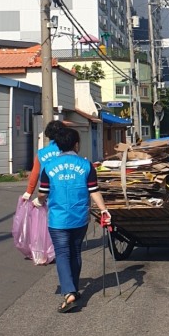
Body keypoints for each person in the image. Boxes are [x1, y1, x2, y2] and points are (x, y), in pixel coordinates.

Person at [34, 126, 112, 313]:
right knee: (75, 251)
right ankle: (74, 290)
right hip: (79, 218)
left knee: (62, 253)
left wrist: (38, 200)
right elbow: (94, 191)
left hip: (58, 219)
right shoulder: (86, 166)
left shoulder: (50, 167)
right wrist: (104, 210)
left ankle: (69, 292)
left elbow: (43, 193)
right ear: (76, 144)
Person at [21, 120, 63, 201]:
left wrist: (29, 192)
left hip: (47, 191)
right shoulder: (67, 151)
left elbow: (35, 173)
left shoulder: (42, 153)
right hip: (67, 190)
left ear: (48, 134)